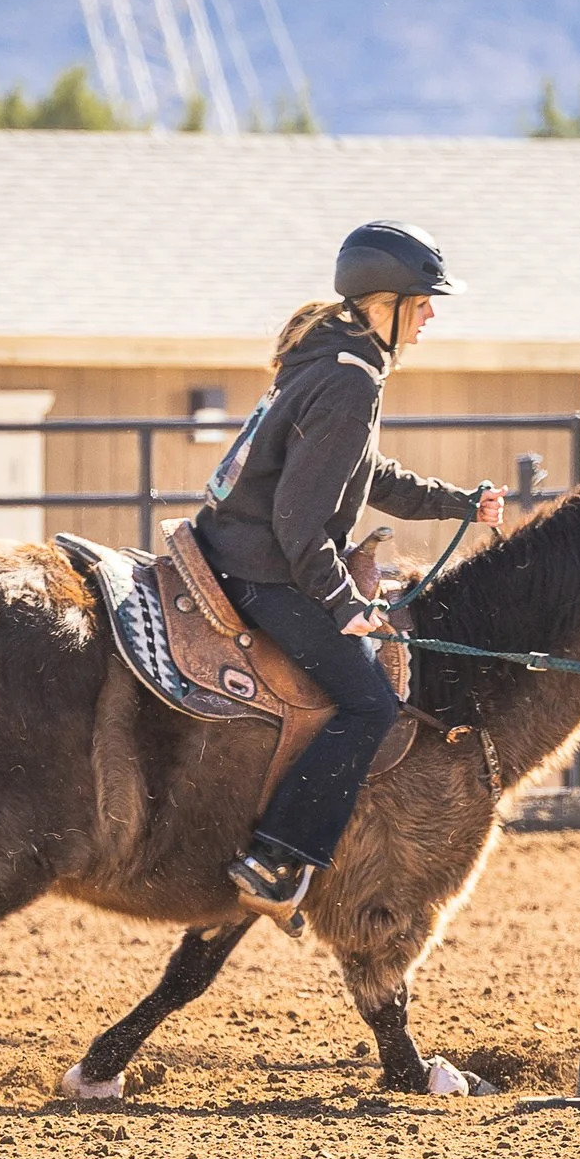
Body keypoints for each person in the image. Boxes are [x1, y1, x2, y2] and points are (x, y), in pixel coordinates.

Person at [195, 221, 507, 926]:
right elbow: (299, 523)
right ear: (382, 302)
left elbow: (368, 476)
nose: (430, 314)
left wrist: (459, 503)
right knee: (370, 701)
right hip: (260, 570)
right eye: (422, 301)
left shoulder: (332, 361)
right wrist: (343, 603)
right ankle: (276, 856)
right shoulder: (350, 381)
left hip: (235, 552)